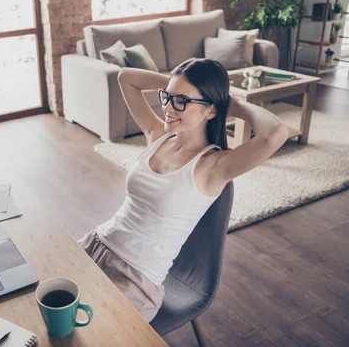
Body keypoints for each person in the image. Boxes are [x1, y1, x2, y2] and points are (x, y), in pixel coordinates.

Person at [78, 58, 289, 322]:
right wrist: (177, 84)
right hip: (96, 243)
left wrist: (232, 104)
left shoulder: (213, 166)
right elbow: (125, 77)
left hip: (135, 278)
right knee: (33, 301)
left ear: (210, 111)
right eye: (167, 97)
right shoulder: (158, 137)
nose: (167, 107)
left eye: (181, 102)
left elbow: (276, 132)